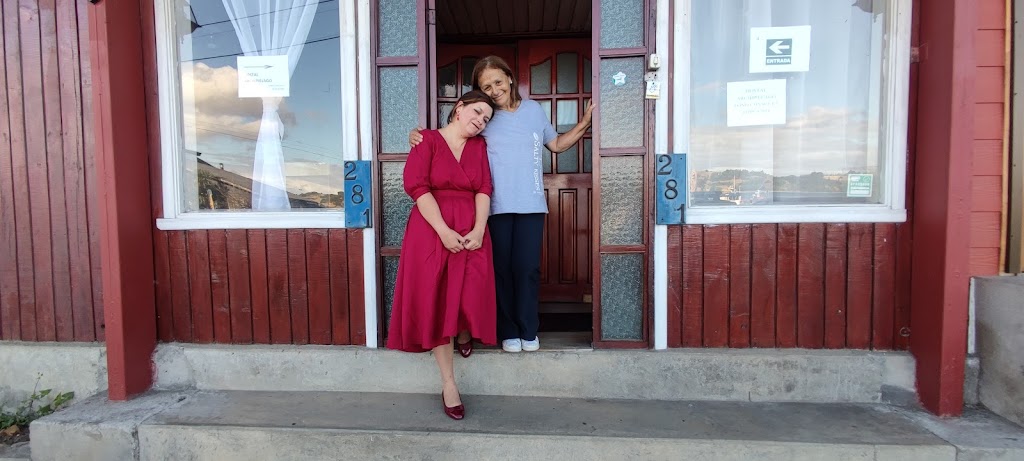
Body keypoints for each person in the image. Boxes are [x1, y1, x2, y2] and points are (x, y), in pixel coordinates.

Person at [411, 55, 594, 353]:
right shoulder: (485, 117)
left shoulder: (534, 110)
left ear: (509, 78)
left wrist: (584, 123)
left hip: (531, 204)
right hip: (495, 206)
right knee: (501, 271)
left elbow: (556, 145)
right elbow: (454, 134)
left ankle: (529, 330)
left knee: (528, 269)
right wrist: (418, 136)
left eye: (498, 82)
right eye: (487, 86)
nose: (494, 90)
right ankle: (508, 331)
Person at [387, 90, 498, 421]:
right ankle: (449, 384)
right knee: (437, 299)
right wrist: (443, 231)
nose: (480, 121)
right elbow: (418, 188)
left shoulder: (479, 146)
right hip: (432, 229)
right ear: (459, 108)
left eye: (486, 119)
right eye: (477, 112)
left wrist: (479, 229)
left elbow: (484, 188)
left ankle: (463, 330)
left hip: (471, 227)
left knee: (469, 290)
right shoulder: (426, 141)